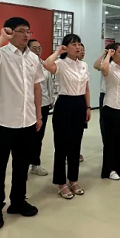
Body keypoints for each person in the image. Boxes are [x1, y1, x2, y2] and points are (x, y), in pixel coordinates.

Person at [0, 18, 43, 231]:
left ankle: (18, 201)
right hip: (3, 122)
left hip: (27, 121)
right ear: (10, 32)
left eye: (28, 31)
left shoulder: (33, 58)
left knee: (22, 165)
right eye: (21, 31)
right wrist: (1, 39)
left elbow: (37, 87)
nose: (26, 35)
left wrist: (38, 115)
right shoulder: (0, 54)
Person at [44, 34, 90, 199]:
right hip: (64, 104)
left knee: (75, 145)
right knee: (62, 145)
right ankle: (61, 182)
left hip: (80, 104)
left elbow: (86, 87)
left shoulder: (84, 65)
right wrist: (58, 52)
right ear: (66, 47)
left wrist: (88, 107)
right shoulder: (60, 64)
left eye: (79, 44)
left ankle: (73, 179)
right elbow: (46, 64)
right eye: (73, 44)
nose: (77, 47)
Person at [99, 44, 120, 180]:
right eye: (119, 52)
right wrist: (108, 54)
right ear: (113, 53)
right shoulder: (109, 66)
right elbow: (102, 69)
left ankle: (118, 167)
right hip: (111, 106)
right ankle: (109, 170)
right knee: (110, 141)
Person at [27, 38, 51, 177]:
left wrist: (51, 99)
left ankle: (35, 164)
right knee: (27, 137)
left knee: (38, 136)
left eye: (39, 47)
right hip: (29, 105)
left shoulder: (44, 64)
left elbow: (48, 84)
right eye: (34, 48)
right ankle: (23, 165)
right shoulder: (25, 63)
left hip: (44, 104)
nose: (37, 50)